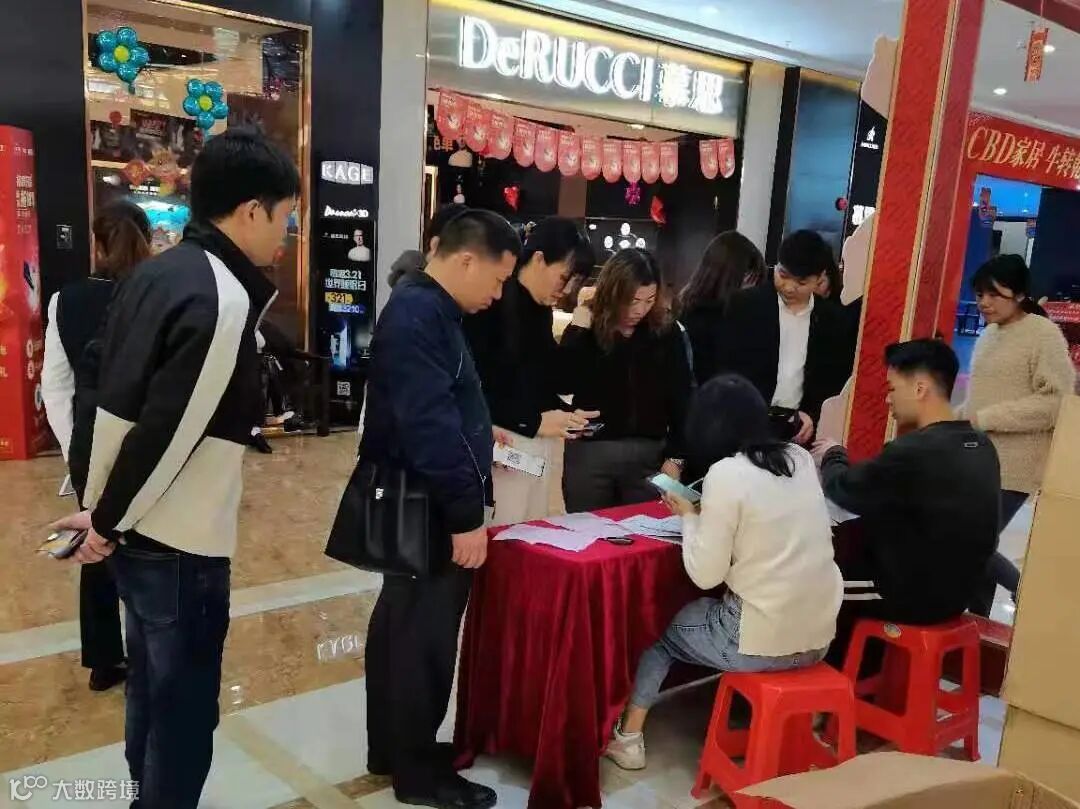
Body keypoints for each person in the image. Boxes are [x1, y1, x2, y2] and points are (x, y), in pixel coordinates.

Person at [50, 127, 300, 808]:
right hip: (181, 542)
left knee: (151, 696)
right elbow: (170, 430)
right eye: (284, 216)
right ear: (251, 210)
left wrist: (101, 507)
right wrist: (105, 519)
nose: (286, 233)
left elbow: (98, 392)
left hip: (138, 533)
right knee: (184, 713)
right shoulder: (221, 296)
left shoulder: (155, 274)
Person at [362, 210, 520, 809]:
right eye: (497, 280)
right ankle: (418, 771)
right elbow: (427, 426)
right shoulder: (420, 314)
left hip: (417, 496)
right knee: (422, 641)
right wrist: (466, 516)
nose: (497, 294)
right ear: (466, 260)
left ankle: (394, 749)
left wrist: (480, 430)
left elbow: (438, 407)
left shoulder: (425, 309)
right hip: (426, 505)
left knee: (401, 629)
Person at [604, 374, 842, 770]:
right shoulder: (797, 458)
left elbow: (705, 575)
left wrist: (689, 516)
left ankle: (627, 739)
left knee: (656, 625)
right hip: (819, 635)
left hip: (760, 642)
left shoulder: (726, 474)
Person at [814, 340, 1001, 667]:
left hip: (912, 596)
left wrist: (833, 454)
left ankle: (832, 686)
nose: (887, 399)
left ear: (919, 388)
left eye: (892, 388)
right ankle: (862, 677)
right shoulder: (981, 446)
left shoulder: (914, 451)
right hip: (958, 594)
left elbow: (843, 489)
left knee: (813, 580)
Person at [41, 200, 152, 692]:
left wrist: (76, 452)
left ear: (98, 243)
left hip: (90, 442)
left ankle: (105, 659)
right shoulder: (157, 293)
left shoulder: (66, 300)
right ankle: (154, 649)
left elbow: (56, 385)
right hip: (150, 438)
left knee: (96, 545)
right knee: (155, 546)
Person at [464, 217, 598, 523]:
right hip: (500, 446)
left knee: (530, 530)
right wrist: (533, 421)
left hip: (530, 449)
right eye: (564, 278)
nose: (567, 290)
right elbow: (478, 386)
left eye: (575, 282)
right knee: (502, 531)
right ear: (538, 259)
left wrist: (566, 414)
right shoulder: (490, 304)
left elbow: (541, 376)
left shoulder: (539, 310)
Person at [963, 255, 1076, 615]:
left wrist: (987, 418)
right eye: (979, 294)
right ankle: (977, 622)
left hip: (1016, 465)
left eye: (994, 294)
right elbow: (978, 401)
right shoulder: (989, 335)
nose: (984, 302)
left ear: (1020, 294)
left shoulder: (1043, 335)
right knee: (979, 545)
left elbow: (1056, 402)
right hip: (978, 457)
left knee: (972, 541)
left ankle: (1028, 593)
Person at [560, 248, 693, 513]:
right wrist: (578, 329)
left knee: (645, 528)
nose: (640, 310)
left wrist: (676, 457)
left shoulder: (665, 332)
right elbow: (563, 381)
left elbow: (682, 397)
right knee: (587, 530)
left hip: (648, 454)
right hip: (591, 452)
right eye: (632, 300)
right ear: (613, 293)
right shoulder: (587, 330)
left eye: (649, 300)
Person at [715, 229, 854, 444]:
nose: (789, 287)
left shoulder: (832, 320)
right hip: (745, 425)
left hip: (799, 431)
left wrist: (813, 415)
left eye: (801, 282)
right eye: (783, 275)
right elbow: (726, 367)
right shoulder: (745, 305)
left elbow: (834, 379)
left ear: (819, 279)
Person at [678, 231, 767, 385]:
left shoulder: (749, 319)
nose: (753, 291)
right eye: (747, 281)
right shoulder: (694, 321)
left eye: (755, 283)